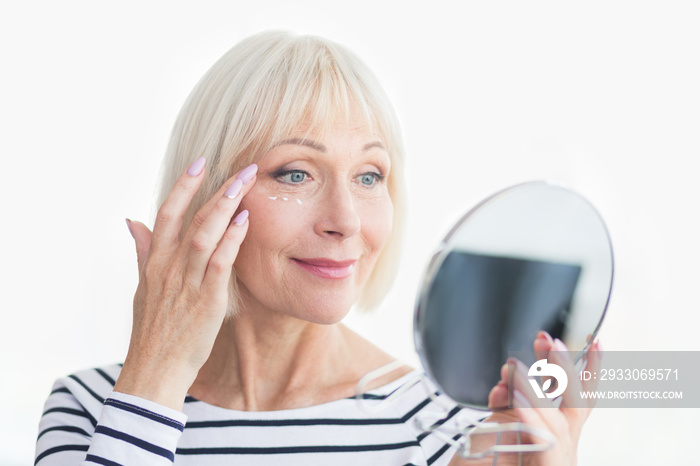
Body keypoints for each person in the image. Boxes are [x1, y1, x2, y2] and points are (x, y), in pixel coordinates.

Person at [35, 31, 601, 465]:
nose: (346, 221)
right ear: (208, 197)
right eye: (297, 174)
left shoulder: (450, 431)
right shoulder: (92, 407)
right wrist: (154, 383)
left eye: (370, 176)